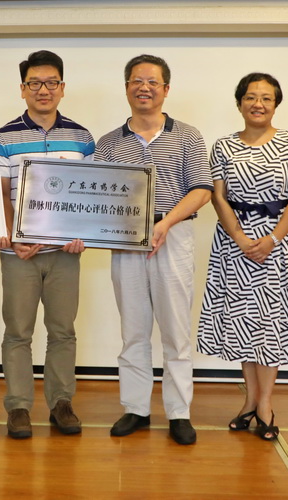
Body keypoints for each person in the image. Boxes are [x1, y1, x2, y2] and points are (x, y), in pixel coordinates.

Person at [94, 54, 212, 445]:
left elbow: (202, 190)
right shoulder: (109, 143)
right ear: (127, 87)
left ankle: (179, 413)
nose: (144, 88)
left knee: (176, 332)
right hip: (125, 238)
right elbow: (98, 199)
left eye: (152, 82)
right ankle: (136, 409)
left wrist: (164, 223)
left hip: (173, 233)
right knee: (133, 330)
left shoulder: (188, 136)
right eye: (136, 81)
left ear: (166, 89)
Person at [197, 72, 288, 441]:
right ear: (239, 103)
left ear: (275, 104)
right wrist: (240, 237)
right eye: (250, 97)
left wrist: (272, 239)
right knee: (244, 323)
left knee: (271, 324)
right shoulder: (222, 147)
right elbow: (218, 196)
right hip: (235, 245)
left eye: (266, 98)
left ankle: (265, 404)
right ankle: (249, 401)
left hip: (280, 245)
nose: (258, 104)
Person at [0, 50, 95, 439]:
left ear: (62, 87)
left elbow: (91, 196)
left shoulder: (81, 138)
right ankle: (18, 407)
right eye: (35, 83)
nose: (43, 90)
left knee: (63, 330)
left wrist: (83, 234)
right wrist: (15, 238)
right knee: (18, 331)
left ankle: (61, 403)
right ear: (23, 89)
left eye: (51, 83)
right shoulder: (2, 138)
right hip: (19, 255)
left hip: (64, 255)